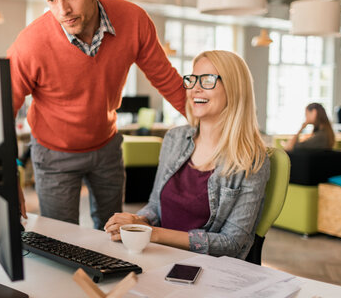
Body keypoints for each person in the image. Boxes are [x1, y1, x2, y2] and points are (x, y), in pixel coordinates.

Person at [7, 0, 186, 229]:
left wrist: (216, 129)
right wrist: (9, 175)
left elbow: (167, 80)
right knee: (60, 240)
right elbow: (2, 110)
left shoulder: (134, 21)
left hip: (106, 147)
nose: (62, 10)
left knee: (113, 235)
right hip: (53, 153)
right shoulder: (31, 43)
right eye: (51, 0)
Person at [104, 50, 270, 259]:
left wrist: (154, 233)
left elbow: (232, 242)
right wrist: (138, 222)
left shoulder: (251, 158)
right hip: (157, 255)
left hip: (207, 270)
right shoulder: (174, 138)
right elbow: (156, 205)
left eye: (208, 80)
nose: (195, 89)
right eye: (192, 79)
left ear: (234, 89)